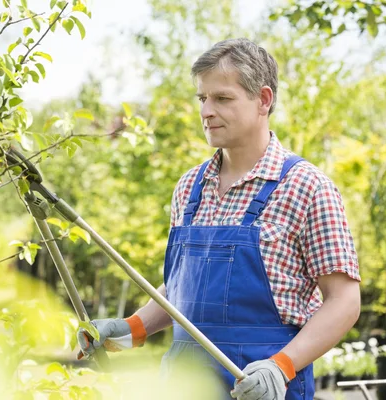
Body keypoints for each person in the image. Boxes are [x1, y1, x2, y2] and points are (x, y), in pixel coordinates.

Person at [77, 38, 361, 400]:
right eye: (202, 98)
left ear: (263, 100)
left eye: (222, 98)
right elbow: (184, 287)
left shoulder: (307, 187)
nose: (206, 111)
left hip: (263, 387)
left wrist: (282, 366)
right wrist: (131, 327)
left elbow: (344, 302)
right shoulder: (189, 187)